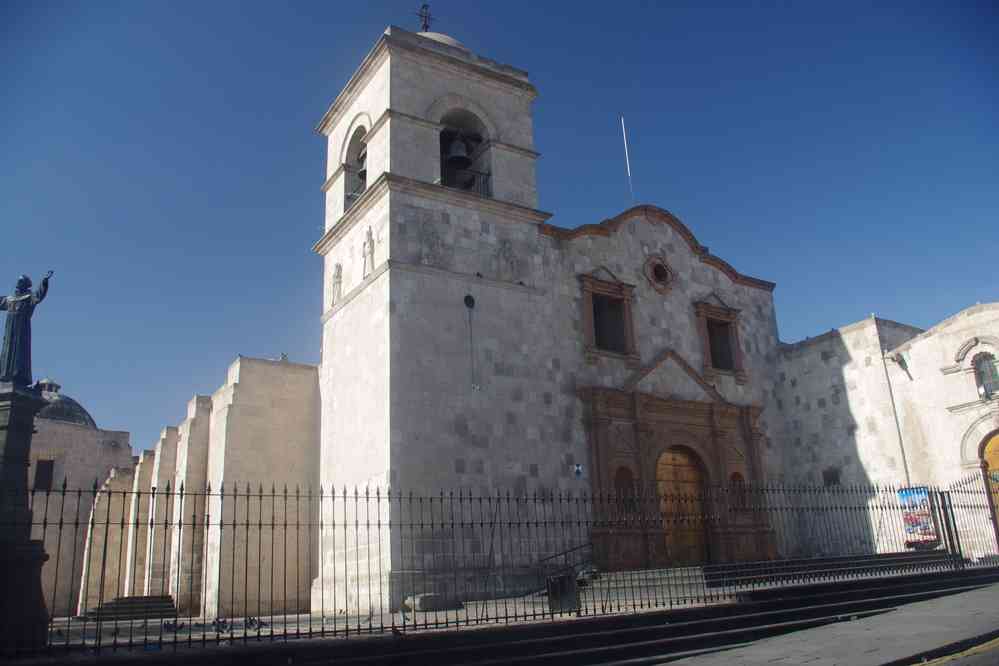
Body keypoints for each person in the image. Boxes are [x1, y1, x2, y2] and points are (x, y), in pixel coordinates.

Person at [0, 271, 53, 387]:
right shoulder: (9, 299)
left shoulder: (29, 297)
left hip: (21, 331)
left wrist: (44, 281)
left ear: (25, 285)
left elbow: (39, 295)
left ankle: (19, 376)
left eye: (20, 283)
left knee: (20, 352)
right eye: (17, 283)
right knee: (7, 352)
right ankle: (5, 375)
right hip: (10, 332)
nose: (17, 285)